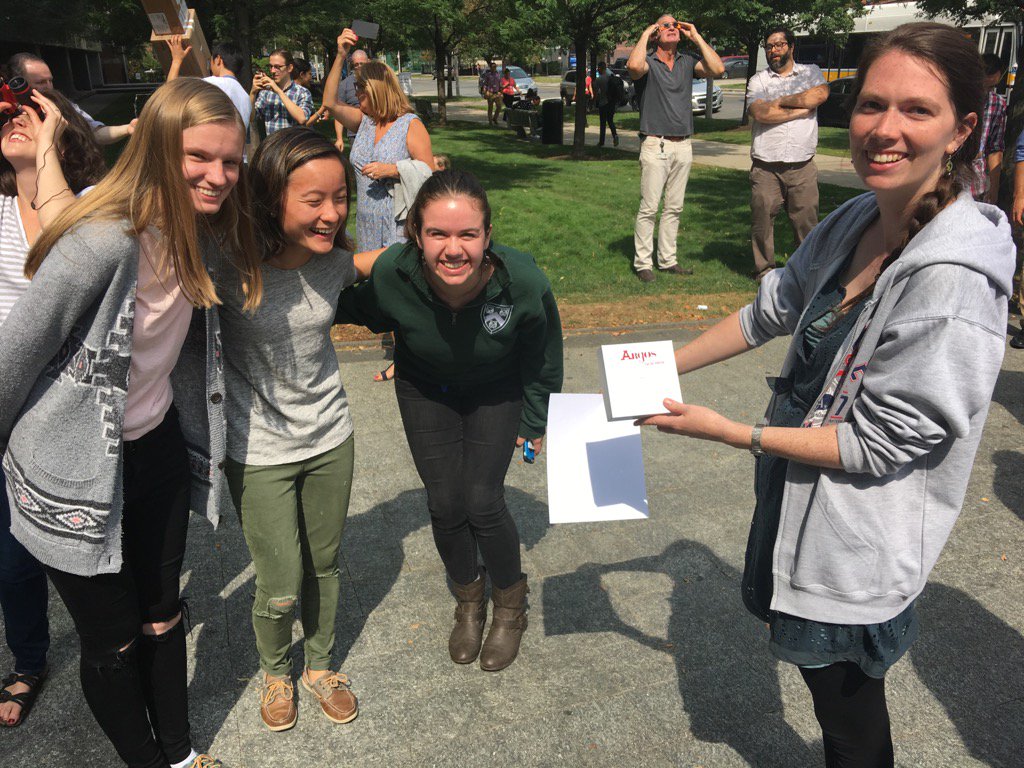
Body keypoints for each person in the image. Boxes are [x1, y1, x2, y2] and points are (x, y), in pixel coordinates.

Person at [639, 23, 1012, 766]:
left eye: (917, 109)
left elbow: (879, 443)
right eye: (873, 104)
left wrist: (730, 431)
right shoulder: (857, 218)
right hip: (801, 505)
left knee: (849, 722)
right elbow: (772, 308)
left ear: (962, 129)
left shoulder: (953, 281)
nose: (885, 128)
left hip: (856, 543)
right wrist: (660, 368)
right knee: (832, 698)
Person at [0, 78, 263, 768]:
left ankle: (178, 754)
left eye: (230, 161)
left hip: (155, 449)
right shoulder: (103, 242)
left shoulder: (200, 231)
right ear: (157, 151)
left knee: (162, 614)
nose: (218, 176)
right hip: (71, 466)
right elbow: (13, 356)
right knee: (112, 640)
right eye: (199, 157)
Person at [336, 170, 563, 672]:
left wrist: (535, 419)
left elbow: (544, 355)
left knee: (482, 500)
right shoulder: (395, 273)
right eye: (437, 233)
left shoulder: (522, 281)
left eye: (468, 234)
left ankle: (510, 606)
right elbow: (344, 304)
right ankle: (469, 601)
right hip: (425, 388)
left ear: (487, 235)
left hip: (495, 390)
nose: (453, 249)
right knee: (444, 502)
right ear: (416, 234)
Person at [216, 127, 382, 732]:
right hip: (258, 449)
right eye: (313, 200)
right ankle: (275, 671)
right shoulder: (225, 267)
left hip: (331, 438)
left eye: (340, 197)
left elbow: (382, 260)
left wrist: (456, 244)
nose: (332, 213)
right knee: (281, 580)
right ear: (270, 197)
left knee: (326, 563)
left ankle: (320, 666)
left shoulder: (332, 263)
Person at [0, 88, 104, 728]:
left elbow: (70, 267)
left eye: (33, 111)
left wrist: (42, 154)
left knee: (89, 548)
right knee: (10, 558)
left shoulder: (89, 204)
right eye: (8, 112)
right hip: (4, 403)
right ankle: (29, 659)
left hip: (70, 405)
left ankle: (116, 645)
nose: (16, 117)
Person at [323, 29, 436, 383]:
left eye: (362, 90)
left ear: (379, 90)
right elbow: (329, 103)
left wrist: (394, 169)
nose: (356, 96)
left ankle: (407, 357)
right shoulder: (364, 123)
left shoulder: (410, 125)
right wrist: (339, 55)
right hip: (369, 221)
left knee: (403, 289)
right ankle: (407, 349)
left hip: (399, 222)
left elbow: (430, 173)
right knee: (386, 290)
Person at [627, 16, 725, 282]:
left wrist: (696, 36)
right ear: (656, 33)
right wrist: (646, 34)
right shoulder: (647, 61)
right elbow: (633, 66)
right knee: (649, 208)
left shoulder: (687, 61)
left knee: (674, 207)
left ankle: (668, 260)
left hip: (683, 144)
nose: (672, 28)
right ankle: (643, 263)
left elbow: (717, 69)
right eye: (665, 25)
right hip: (655, 143)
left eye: (675, 25)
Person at [746, 27, 829, 282]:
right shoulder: (758, 80)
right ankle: (764, 271)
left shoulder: (810, 72)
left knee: (806, 223)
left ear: (791, 47)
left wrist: (780, 101)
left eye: (779, 44)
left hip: (802, 166)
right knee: (762, 222)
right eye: (769, 46)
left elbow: (820, 95)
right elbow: (760, 113)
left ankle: (806, 273)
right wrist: (801, 108)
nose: (774, 50)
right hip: (765, 166)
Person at [4, 52, 136, 145]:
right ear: (17, 83)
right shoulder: (5, 110)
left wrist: (127, 128)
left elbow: (93, 133)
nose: (49, 87)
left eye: (50, 81)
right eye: (40, 82)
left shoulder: (63, 105)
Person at [164, 38, 252, 131]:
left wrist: (176, 60)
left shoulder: (211, 84)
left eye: (210, 61)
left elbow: (170, 94)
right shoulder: (246, 98)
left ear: (218, 60)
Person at [250, 49, 314, 139]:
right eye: (271, 66)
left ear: (290, 68)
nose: (273, 71)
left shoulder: (302, 92)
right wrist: (253, 93)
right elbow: (251, 118)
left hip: (293, 146)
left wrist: (278, 91)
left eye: (278, 67)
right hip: (273, 145)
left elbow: (302, 118)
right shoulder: (266, 93)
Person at [969, 53, 1006, 203]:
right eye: (982, 85)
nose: (985, 91)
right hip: (947, 178)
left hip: (976, 184)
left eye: (991, 87)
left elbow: (995, 148)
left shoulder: (997, 104)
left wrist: (994, 189)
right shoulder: (958, 98)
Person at [594, 61, 622, 147]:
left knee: (603, 123)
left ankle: (601, 142)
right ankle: (615, 135)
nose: (597, 70)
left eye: (598, 68)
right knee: (610, 121)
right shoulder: (611, 77)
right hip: (611, 103)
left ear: (600, 68)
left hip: (603, 103)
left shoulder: (599, 79)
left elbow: (596, 92)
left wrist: (595, 102)